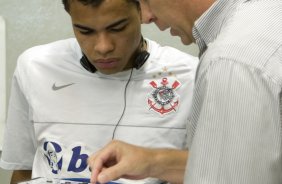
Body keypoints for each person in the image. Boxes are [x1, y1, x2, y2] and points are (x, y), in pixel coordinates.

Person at [0, 0, 198, 183]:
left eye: (117, 28)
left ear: (142, 11)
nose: (103, 47)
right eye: (85, 31)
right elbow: (22, 169)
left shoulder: (191, 75)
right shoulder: (35, 67)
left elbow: (213, 170)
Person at [88, 0, 282, 184]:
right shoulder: (265, 16)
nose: (145, 17)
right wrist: (155, 162)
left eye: (146, 1)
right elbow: (245, 164)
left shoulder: (229, 63)